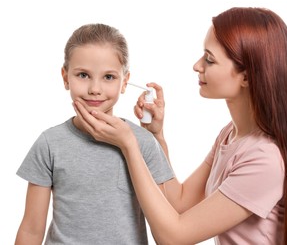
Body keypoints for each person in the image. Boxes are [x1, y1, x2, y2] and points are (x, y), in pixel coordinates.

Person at [73, 7, 287, 245]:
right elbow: (177, 201)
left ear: (246, 76)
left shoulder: (264, 159)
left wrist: (129, 145)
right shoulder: (230, 135)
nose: (197, 65)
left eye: (209, 60)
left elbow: (173, 238)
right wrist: (155, 135)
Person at [15, 23, 174, 245]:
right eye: (83, 75)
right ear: (65, 77)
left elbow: (169, 219)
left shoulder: (142, 142)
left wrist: (155, 138)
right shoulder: (49, 144)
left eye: (108, 77)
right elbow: (31, 230)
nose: (95, 89)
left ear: (125, 82)